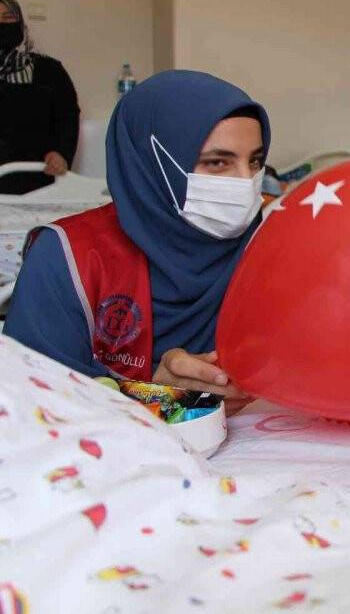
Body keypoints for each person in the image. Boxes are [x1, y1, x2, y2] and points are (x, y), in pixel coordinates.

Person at [3, 70, 268, 413]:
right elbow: (28, 397)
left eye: (256, 161)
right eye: (217, 162)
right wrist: (159, 398)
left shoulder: (263, 247)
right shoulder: (69, 256)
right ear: (153, 163)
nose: (247, 183)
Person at [0, 0, 80, 192]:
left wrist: (61, 153)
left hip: (41, 187)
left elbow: (67, 116)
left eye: (8, 17)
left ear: (20, 23)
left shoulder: (49, 70)